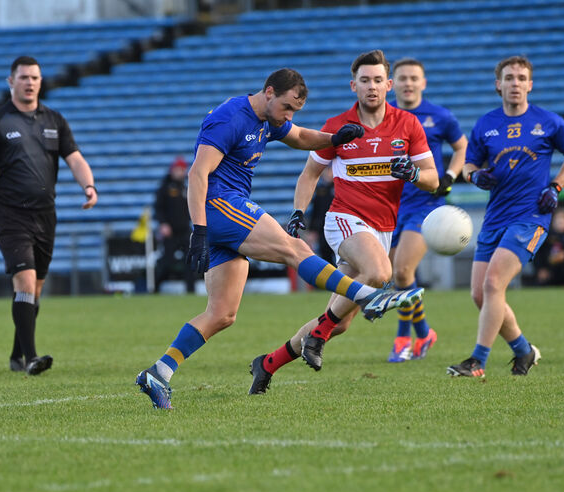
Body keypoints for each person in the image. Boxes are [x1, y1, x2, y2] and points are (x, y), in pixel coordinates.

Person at [135, 67, 424, 409]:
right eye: (287, 107)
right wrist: (198, 229)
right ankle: (367, 295)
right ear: (269, 92)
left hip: (223, 213)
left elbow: (300, 137)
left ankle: (160, 372)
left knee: (222, 314)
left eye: (293, 111)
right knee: (294, 248)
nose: (288, 116)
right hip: (219, 205)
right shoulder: (231, 118)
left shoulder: (267, 119)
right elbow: (198, 173)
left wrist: (333, 140)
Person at [248, 51, 439, 395]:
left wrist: (412, 173)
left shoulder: (408, 125)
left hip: (382, 229)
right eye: (365, 80)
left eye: (378, 80)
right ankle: (317, 337)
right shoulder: (338, 127)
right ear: (354, 85)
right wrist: (297, 214)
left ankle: (269, 363)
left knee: (340, 322)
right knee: (381, 273)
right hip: (344, 220)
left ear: (389, 85)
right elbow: (309, 175)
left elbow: (433, 180)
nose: (372, 86)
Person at [447, 56, 564, 378]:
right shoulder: (485, 124)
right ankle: (523, 351)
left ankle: (477, 361)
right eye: (509, 78)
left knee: (494, 284)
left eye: (522, 78)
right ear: (499, 84)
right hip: (495, 217)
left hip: (530, 217)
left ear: (530, 84)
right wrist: (474, 176)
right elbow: (469, 165)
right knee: (480, 295)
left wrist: (556, 186)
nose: (515, 83)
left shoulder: (549, 122)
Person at [0, 56, 98, 375]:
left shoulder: (54, 120)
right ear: (10, 81)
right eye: (23, 77)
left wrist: (89, 186)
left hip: (45, 216)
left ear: (41, 82)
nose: (30, 83)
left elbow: (75, 158)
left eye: (35, 78)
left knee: (34, 291)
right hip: (11, 216)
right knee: (24, 282)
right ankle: (31, 359)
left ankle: (16, 354)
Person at [387, 58, 468, 362]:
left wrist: (449, 176)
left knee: (403, 271)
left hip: (427, 205)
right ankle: (424, 333)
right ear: (393, 84)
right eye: (403, 78)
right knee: (395, 278)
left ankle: (403, 338)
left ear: (423, 83)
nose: (408, 83)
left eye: (414, 78)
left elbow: (462, 147)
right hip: (390, 206)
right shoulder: (385, 115)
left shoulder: (439, 116)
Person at [153, 156, 195, 293]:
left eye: (183, 170)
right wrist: (163, 224)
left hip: (184, 230)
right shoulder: (164, 188)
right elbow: (158, 208)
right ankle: (155, 288)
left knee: (189, 261)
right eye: (178, 169)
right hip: (170, 231)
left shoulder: (186, 187)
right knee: (167, 262)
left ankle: (190, 290)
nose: (181, 172)